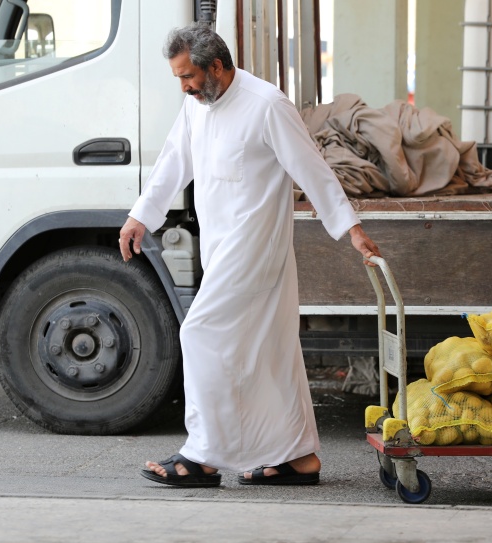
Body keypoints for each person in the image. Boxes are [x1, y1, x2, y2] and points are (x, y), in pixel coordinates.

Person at [119, 23, 380, 487]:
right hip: (222, 247)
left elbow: (311, 168)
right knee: (272, 351)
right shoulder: (197, 105)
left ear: (216, 66)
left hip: (255, 246)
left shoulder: (267, 104)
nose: (184, 87)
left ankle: (202, 457)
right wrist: (141, 215)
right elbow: (174, 160)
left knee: (200, 334)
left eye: (188, 76)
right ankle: (298, 458)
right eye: (179, 78)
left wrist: (351, 229)